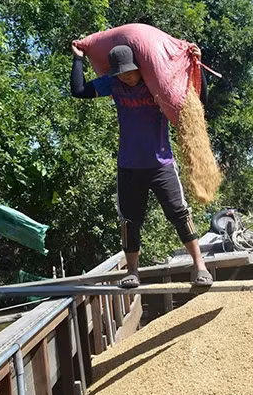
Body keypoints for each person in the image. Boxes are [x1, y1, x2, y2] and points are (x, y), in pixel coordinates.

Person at [69, 42, 213, 288]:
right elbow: (79, 90)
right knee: (129, 221)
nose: (126, 75)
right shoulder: (114, 85)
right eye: (121, 72)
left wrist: (196, 64)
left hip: (161, 164)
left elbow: (198, 97)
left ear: (139, 67)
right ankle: (133, 272)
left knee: (179, 213)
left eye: (130, 70)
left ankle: (200, 266)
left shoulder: (157, 82)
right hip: (129, 166)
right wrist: (78, 59)